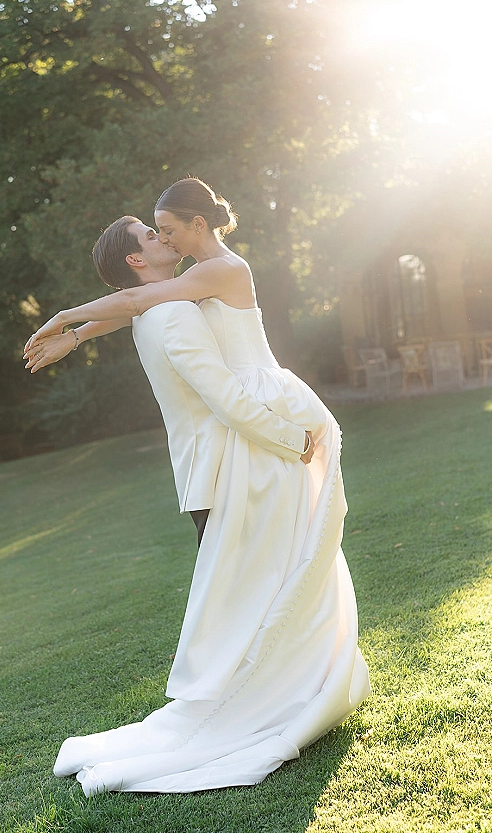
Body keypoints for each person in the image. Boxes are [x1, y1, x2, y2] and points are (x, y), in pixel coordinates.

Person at [25, 179, 370, 794]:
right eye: (152, 232)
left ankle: (291, 681)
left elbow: (142, 303)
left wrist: (69, 322)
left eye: (167, 227)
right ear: (141, 255)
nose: (163, 237)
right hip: (247, 440)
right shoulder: (178, 299)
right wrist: (74, 330)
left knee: (287, 569)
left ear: (195, 224)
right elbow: (150, 306)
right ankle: (269, 694)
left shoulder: (212, 275)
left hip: (243, 436)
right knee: (275, 576)